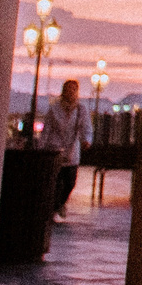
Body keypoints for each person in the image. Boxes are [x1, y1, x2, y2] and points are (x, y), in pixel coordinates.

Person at [44, 79, 87, 215]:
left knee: (70, 182)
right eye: (68, 89)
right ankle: (55, 207)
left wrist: (87, 140)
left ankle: (60, 203)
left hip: (72, 150)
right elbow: (47, 129)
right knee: (56, 180)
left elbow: (86, 127)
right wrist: (42, 145)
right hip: (55, 147)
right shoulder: (54, 109)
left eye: (73, 89)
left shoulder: (80, 109)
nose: (71, 92)